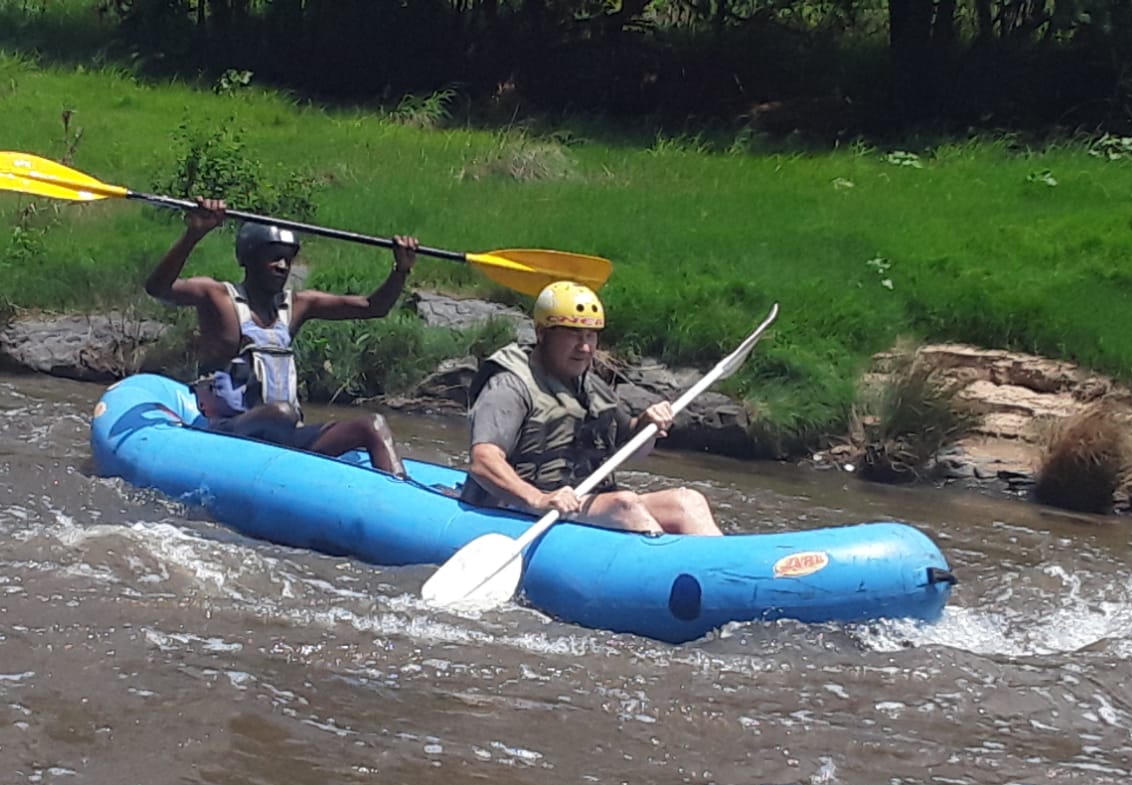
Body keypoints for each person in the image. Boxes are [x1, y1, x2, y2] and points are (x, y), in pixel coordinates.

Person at [144, 198, 419, 478]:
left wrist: (401, 270)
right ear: (248, 258)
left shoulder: (299, 305)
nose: (282, 266)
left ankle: (401, 489)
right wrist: (195, 233)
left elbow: (374, 307)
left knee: (372, 424)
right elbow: (158, 288)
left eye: (288, 259)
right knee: (281, 413)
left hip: (286, 437)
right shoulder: (217, 296)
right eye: (273, 256)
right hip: (227, 432)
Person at [459, 281, 723, 535]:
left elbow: (631, 448)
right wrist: (538, 499)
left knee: (688, 502)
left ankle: (718, 568)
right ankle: (666, 571)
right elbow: (483, 461)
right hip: (519, 508)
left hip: (580, 504)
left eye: (590, 336)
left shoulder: (591, 386)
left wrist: (646, 426)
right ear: (541, 333)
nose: (584, 348)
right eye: (573, 335)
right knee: (624, 505)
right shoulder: (509, 386)